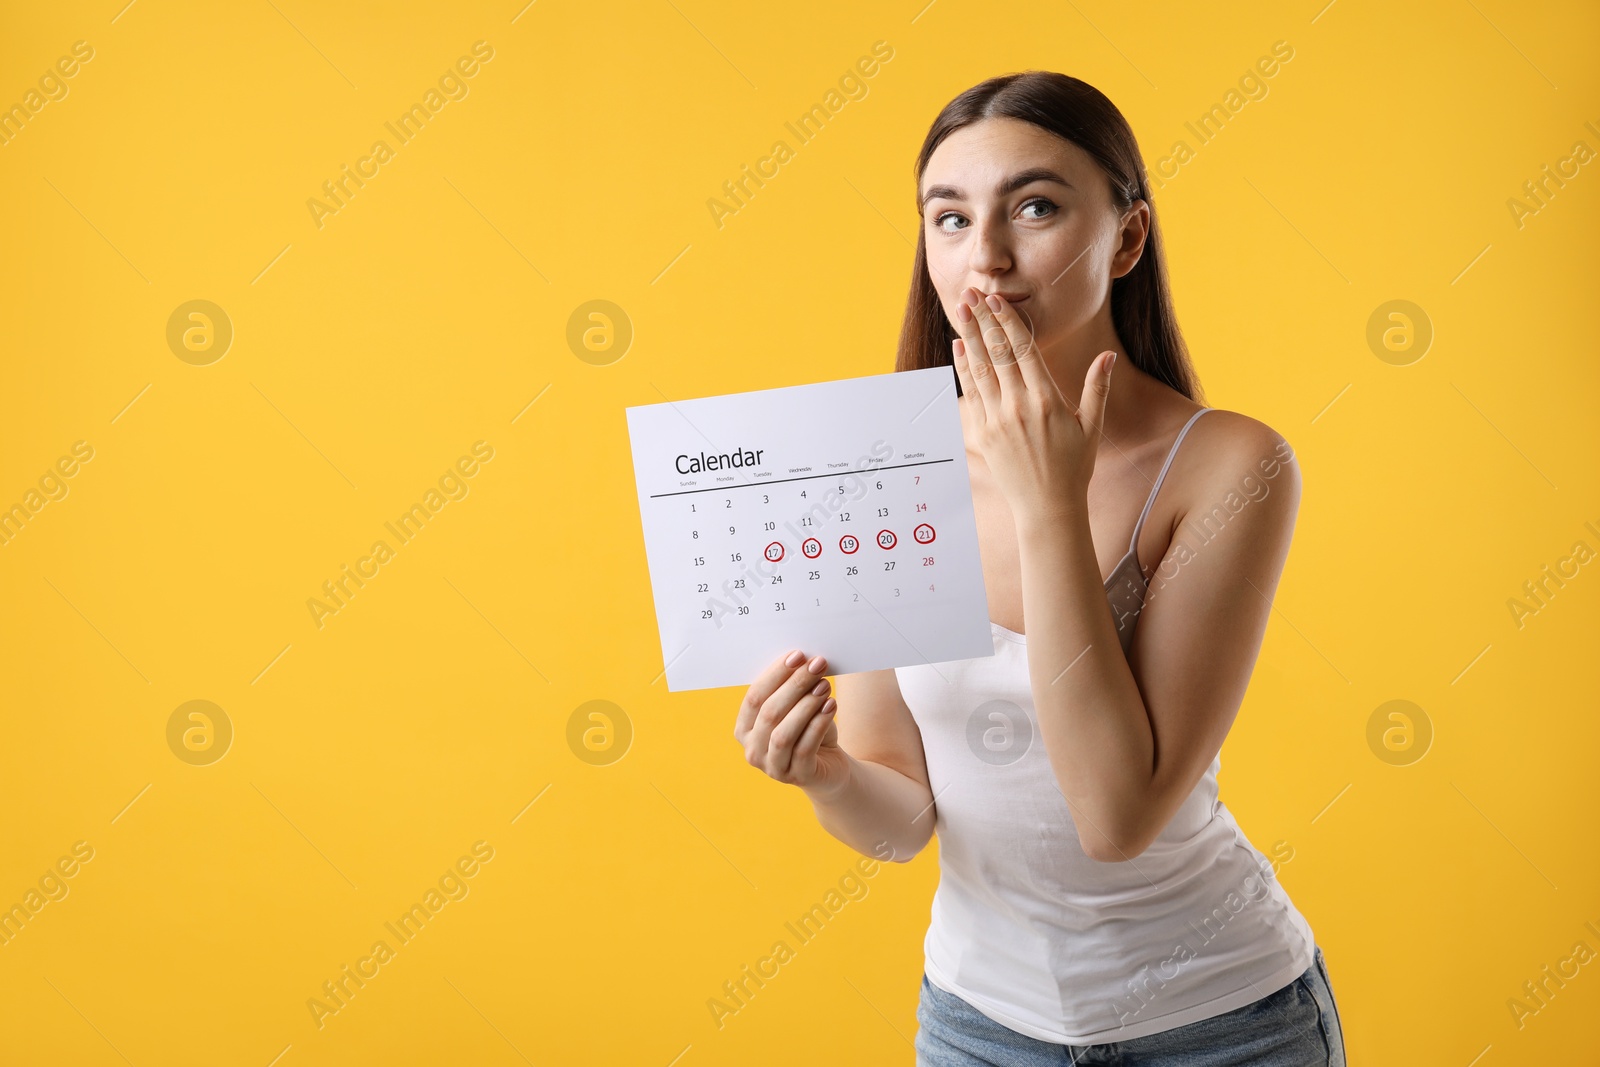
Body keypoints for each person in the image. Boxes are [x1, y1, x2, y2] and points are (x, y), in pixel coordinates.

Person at [732, 70, 1346, 1065]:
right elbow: (903, 817)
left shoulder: (1231, 464)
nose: (988, 257)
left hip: (1221, 1024)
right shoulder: (881, 463)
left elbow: (1116, 814)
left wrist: (1047, 502)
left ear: (1128, 238)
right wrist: (826, 773)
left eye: (1034, 207)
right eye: (950, 218)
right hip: (980, 1024)